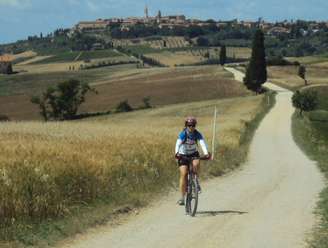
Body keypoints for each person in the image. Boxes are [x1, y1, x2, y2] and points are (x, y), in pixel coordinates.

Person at [175, 116, 211, 206]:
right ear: (186, 125)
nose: (191, 127)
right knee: (183, 174)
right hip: (183, 154)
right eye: (189, 125)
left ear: (195, 125)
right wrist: (176, 153)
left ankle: (196, 182)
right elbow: (178, 143)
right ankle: (182, 198)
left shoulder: (197, 134)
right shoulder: (183, 134)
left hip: (193, 153)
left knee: (196, 164)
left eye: (193, 125)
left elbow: (202, 143)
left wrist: (206, 153)